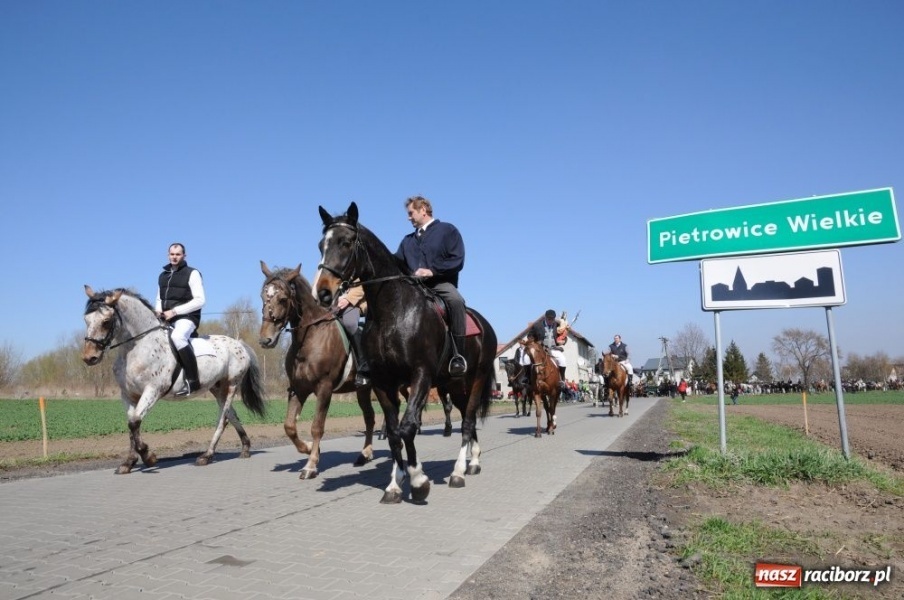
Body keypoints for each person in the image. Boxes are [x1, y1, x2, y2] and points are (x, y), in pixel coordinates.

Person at [395, 195, 468, 376]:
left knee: (457, 301)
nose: (408, 218)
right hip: (413, 287)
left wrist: (432, 271)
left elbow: (457, 259)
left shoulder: (448, 230)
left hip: (439, 284)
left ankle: (458, 355)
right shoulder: (407, 241)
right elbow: (397, 264)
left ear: (423, 210)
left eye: (411, 213)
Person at [155, 242, 205, 396]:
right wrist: (158, 310)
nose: (174, 257)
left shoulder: (193, 273)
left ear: (184, 255)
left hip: (187, 318)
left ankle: (193, 380)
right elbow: (159, 298)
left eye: (178, 254)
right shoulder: (163, 276)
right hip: (166, 318)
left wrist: (175, 311)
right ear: (168, 255)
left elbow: (200, 300)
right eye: (172, 254)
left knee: (177, 337)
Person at [333, 283, 369, 387]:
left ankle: (364, 368)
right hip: (333, 304)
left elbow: (362, 286)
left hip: (354, 304)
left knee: (350, 323)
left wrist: (347, 299)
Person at [527, 309, 569, 391]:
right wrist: (535, 343)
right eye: (549, 319)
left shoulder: (557, 325)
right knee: (526, 359)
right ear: (545, 318)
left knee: (563, 360)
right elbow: (529, 336)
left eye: (552, 319)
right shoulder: (537, 326)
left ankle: (562, 380)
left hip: (553, 348)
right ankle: (527, 380)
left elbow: (564, 337)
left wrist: (563, 341)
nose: (550, 321)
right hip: (540, 349)